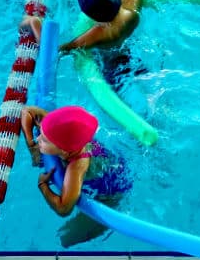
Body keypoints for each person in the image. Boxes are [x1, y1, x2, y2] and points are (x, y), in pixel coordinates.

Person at [21, 105, 131, 247]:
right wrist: (32, 148)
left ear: (65, 152)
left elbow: (64, 209)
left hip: (111, 193)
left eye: (45, 140)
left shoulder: (77, 167)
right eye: (41, 133)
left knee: (66, 238)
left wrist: (42, 185)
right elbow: (27, 111)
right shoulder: (55, 127)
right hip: (108, 161)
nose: (38, 139)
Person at [23, 0, 147, 84]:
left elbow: (56, 52)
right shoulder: (131, 7)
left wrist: (34, 24)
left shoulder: (98, 34)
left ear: (88, 15)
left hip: (112, 69)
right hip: (134, 55)